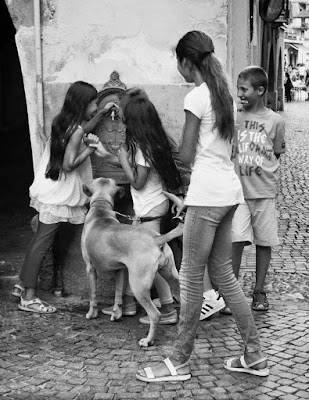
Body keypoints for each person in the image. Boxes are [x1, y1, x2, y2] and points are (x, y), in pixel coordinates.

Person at [135, 31, 269, 382]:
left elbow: (187, 153)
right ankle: (254, 354)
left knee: (192, 277)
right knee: (224, 275)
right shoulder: (223, 93)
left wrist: (177, 174)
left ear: (185, 62)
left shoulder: (196, 96)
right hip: (228, 193)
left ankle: (178, 361)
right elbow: (228, 150)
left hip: (207, 195)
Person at [11, 81, 115, 313]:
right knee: (42, 243)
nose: (95, 106)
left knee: (39, 240)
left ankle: (21, 284)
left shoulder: (64, 122)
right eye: (93, 103)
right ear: (83, 104)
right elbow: (69, 165)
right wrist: (90, 149)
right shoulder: (76, 131)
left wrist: (100, 113)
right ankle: (29, 297)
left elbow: (83, 128)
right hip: (58, 194)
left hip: (50, 189)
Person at [96, 89, 184, 324]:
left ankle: (167, 311)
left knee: (152, 265)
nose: (122, 120)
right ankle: (131, 304)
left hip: (150, 212)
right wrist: (108, 155)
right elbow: (134, 168)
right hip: (152, 209)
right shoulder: (147, 144)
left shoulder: (142, 148)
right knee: (151, 262)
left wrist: (122, 158)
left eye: (125, 117)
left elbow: (137, 180)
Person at [231, 66, 285, 312]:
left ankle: (259, 290)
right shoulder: (235, 117)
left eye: (244, 89)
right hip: (239, 191)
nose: (239, 93)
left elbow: (276, 152)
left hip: (264, 192)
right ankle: (229, 292)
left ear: (260, 91)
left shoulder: (276, 121)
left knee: (264, 242)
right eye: (239, 89)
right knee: (237, 240)